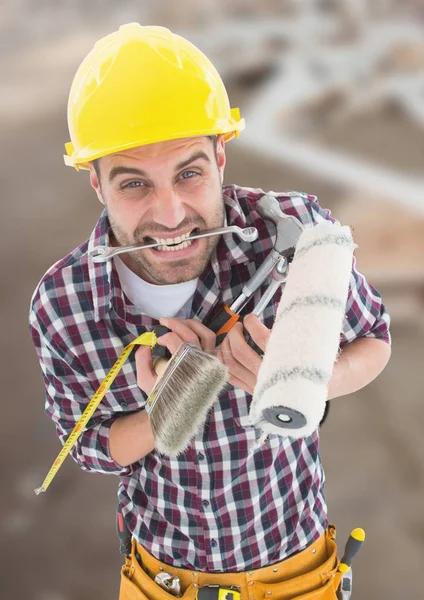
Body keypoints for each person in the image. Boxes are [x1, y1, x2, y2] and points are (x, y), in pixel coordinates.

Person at [29, 23, 391, 600]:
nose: (170, 214)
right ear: (95, 181)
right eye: (132, 184)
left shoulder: (294, 238)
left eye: (190, 173)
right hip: (166, 582)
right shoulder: (65, 303)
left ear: (220, 154)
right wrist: (163, 416)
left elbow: (372, 337)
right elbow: (91, 446)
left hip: (298, 575)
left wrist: (310, 378)